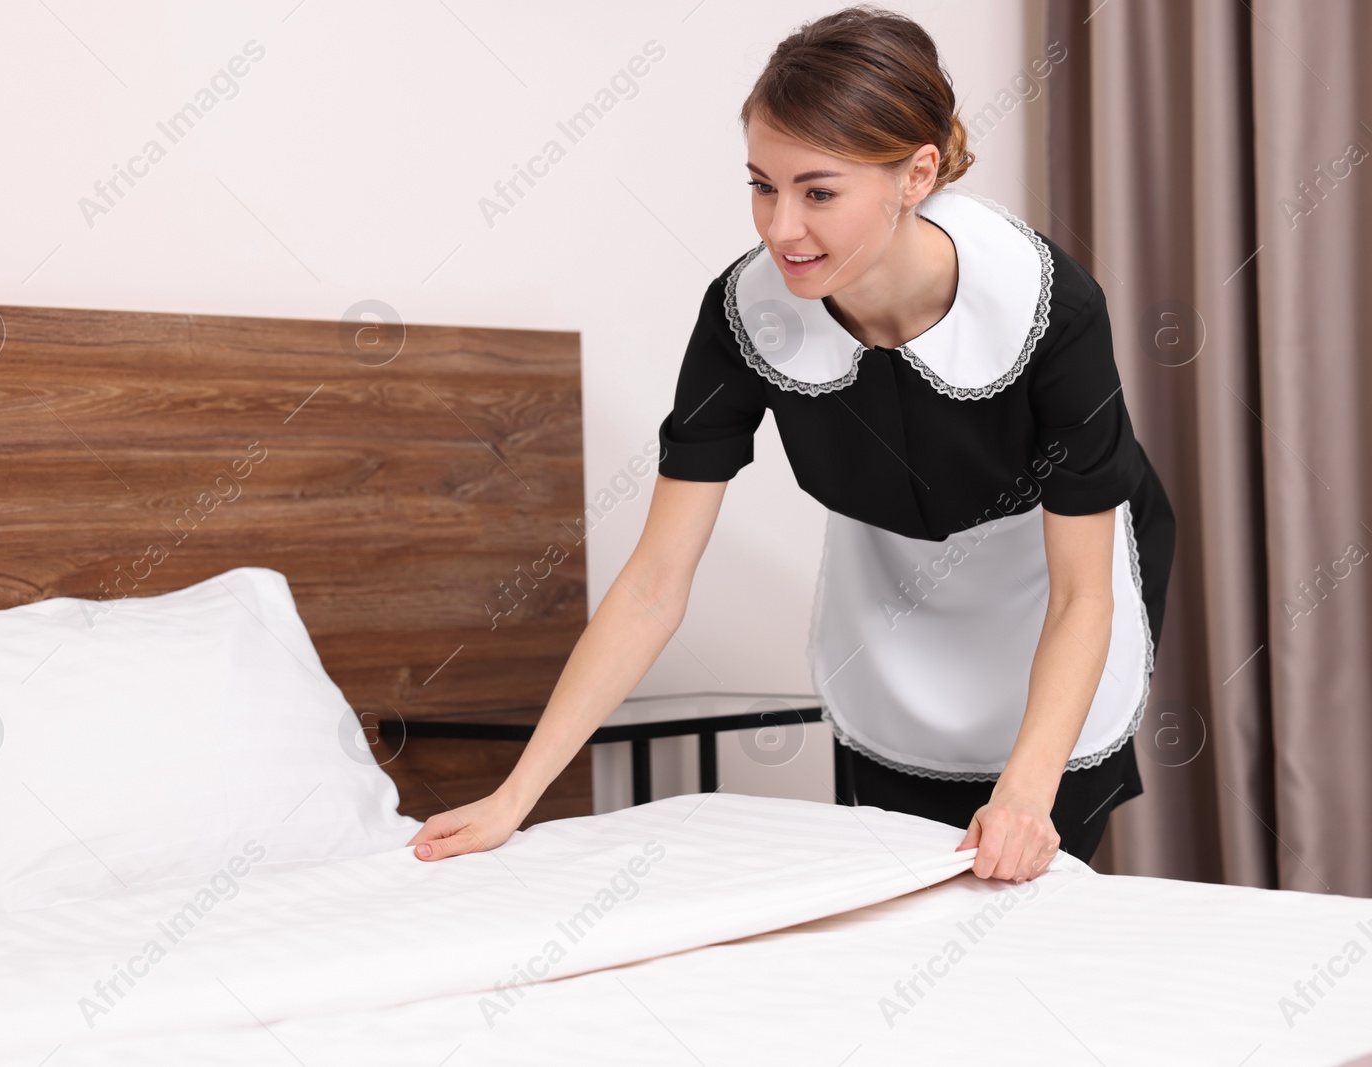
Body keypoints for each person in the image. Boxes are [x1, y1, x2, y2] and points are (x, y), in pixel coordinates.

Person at [407, 6, 1174, 881]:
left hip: (1057, 584)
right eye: (762, 185)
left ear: (917, 173)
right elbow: (657, 581)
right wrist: (515, 797)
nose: (779, 230)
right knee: (894, 877)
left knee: (1029, 863)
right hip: (890, 591)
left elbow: (1083, 595)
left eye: (818, 191)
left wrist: (1027, 794)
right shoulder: (744, 316)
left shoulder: (1045, 308)